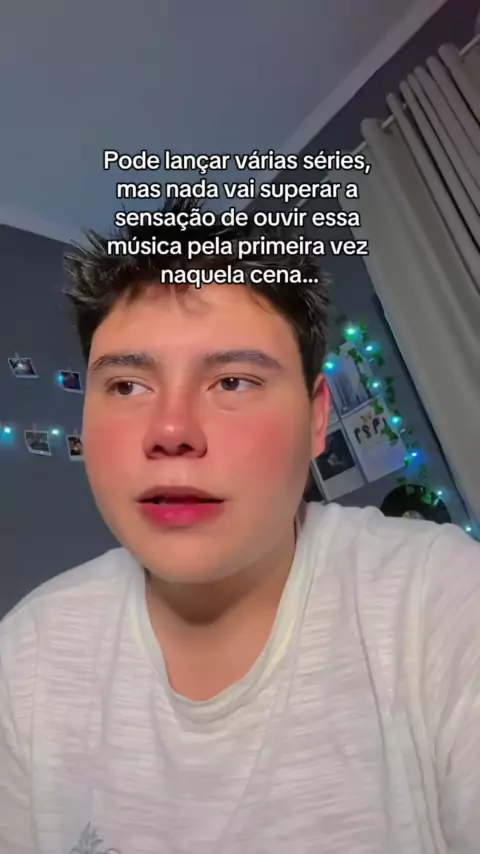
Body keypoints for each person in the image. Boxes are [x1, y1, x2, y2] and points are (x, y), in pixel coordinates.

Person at [1, 200, 479, 854]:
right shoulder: (26, 658)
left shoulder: (439, 597)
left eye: (232, 381)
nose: (171, 430)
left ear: (316, 419)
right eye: (128, 387)